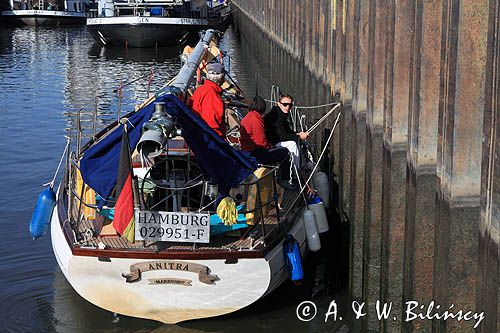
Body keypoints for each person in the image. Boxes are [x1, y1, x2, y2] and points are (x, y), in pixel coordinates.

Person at [240, 96, 291, 184]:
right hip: (256, 153)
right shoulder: (256, 120)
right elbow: (261, 142)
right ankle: (284, 180)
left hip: (247, 151)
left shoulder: (248, 117)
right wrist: (271, 146)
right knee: (285, 152)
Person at [264, 94, 309, 171]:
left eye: (290, 105)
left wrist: (298, 134)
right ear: (278, 104)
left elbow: (287, 131)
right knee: (292, 144)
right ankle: (296, 171)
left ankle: (299, 165)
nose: (287, 107)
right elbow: (282, 136)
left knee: (295, 141)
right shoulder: (277, 116)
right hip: (272, 143)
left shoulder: (280, 113)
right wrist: (299, 137)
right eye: (285, 104)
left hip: (276, 140)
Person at [191, 62, 227, 137]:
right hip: (206, 140)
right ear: (221, 77)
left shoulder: (200, 89)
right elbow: (212, 125)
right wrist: (221, 143)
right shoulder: (212, 95)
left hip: (197, 135)